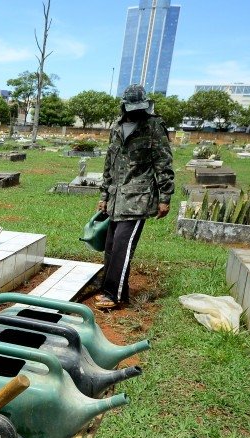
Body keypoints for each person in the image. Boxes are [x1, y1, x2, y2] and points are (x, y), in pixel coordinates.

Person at [95, 84, 175, 309]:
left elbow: (163, 162)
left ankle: (114, 295)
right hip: (116, 197)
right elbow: (109, 164)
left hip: (138, 199)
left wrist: (165, 197)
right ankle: (114, 289)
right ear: (124, 106)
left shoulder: (153, 126)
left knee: (122, 246)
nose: (136, 111)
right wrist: (104, 194)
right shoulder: (117, 127)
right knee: (110, 245)